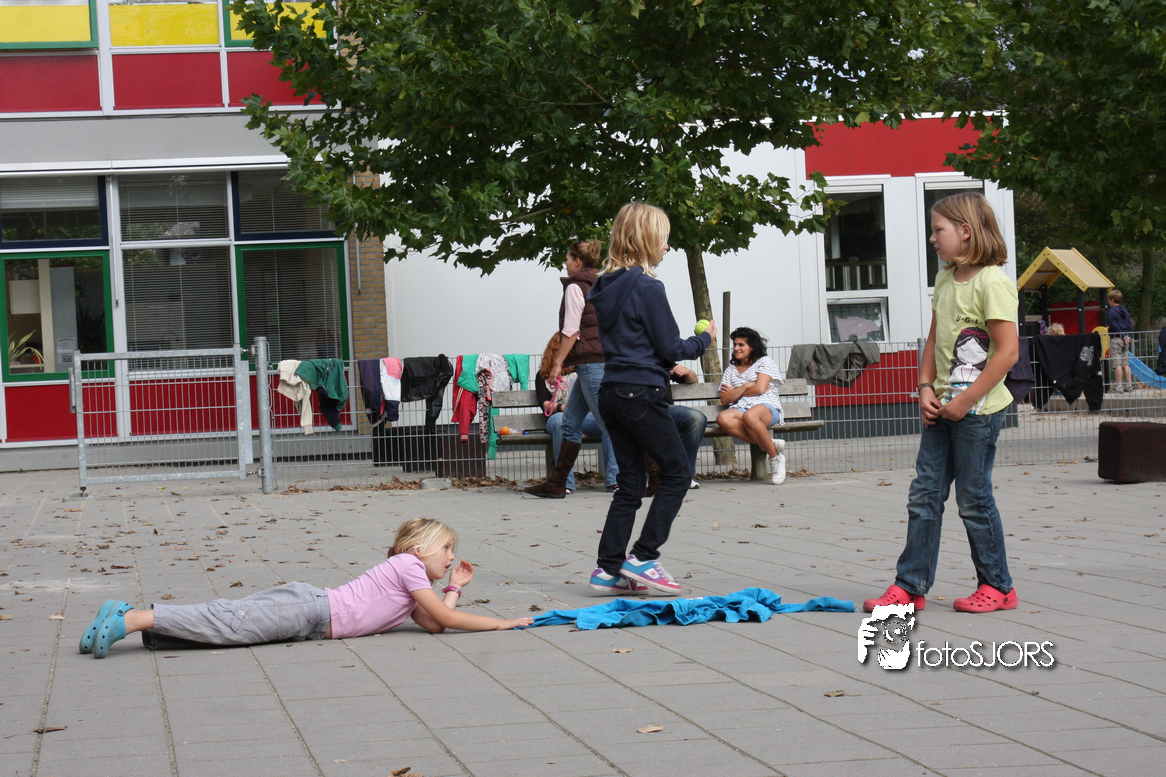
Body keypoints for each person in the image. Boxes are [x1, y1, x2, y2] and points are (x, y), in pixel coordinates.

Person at [865, 192, 1020, 615]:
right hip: (942, 408)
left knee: (974, 499)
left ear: (965, 232)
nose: (932, 239)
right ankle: (910, 587)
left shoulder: (993, 283)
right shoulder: (946, 280)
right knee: (924, 495)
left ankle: (998, 586)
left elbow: (1007, 353)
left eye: (938, 230)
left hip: (978, 411)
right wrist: (924, 388)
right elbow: (934, 340)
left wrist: (966, 401)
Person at [78, 518, 533, 658]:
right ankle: (132, 618)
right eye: (447, 549)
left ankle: (127, 616)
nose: (452, 557)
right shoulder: (408, 566)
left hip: (309, 616)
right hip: (309, 610)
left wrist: (453, 587)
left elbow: (435, 624)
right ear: (419, 548)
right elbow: (448, 620)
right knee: (230, 623)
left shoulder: (413, 584)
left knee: (228, 627)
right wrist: (500, 624)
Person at [586, 203, 714, 595]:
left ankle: (607, 570)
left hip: (612, 391)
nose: (667, 247)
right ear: (645, 239)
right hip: (642, 392)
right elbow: (671, 347)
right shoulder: (648, 287)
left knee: (629, 482)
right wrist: (704, 339)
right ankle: (644, 557)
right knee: (677, 472)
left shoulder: (604, 287)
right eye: (664, 238)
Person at [525, 240, 618, 498]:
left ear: (577, 261)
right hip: (602, 360)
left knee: (610, 424)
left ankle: (633, 477)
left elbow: (571, 330)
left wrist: (557, 363)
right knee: (569, 423)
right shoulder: (603, 283)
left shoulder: (576, 287)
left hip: (590, 364)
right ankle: (559, 483)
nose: (565, 263)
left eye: (567, 259)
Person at [534, 332, 618, 493]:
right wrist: (562, 407)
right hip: (557, 415)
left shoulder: (582, 372)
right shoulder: (543, 375)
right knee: (561, 422)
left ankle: (614, 480)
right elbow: (544, 404)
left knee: (609, 423)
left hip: (587, 416)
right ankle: (566, 482)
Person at [715, 327, 787, 485]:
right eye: (735, 344)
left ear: (752, 347)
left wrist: (736, 392)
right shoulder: (730, 371)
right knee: (723, 418)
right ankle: (769, 443)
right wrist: (746, 386)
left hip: (766, 406)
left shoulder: (765, 362)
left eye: (741, 345)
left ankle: (775, 458)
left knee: (750, 416)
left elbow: (760, 389)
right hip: (741, 408)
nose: (736, 348)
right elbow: (725, 399)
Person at [1107, 288, 1134, 392]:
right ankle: (1129, 385)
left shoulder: (1112, 312)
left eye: (1109, 300)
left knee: (1117, 362)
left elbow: (1114, 325)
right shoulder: (1125, 310)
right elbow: (1130, 325)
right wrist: (1127, 336)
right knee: (1126, 362)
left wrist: (1122, 335)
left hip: (1116, 338)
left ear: (1112, 300)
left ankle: (1119, 386)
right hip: (1125, 339)